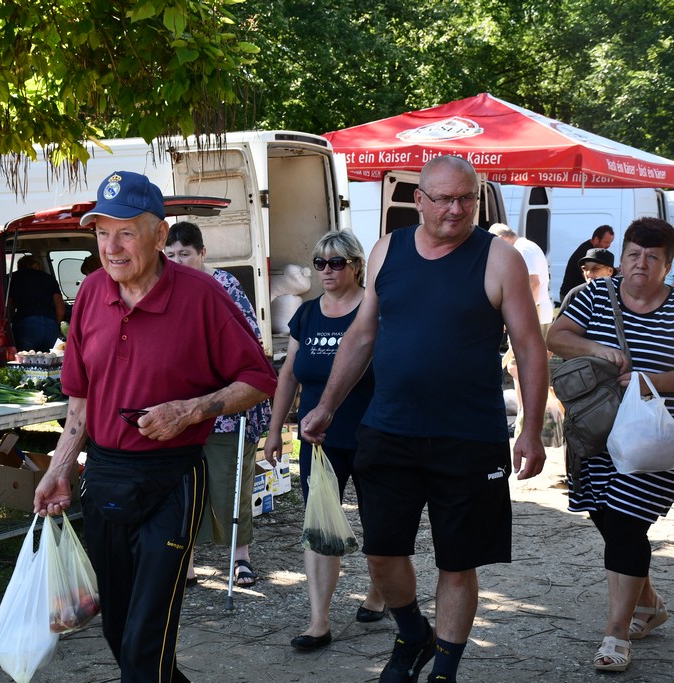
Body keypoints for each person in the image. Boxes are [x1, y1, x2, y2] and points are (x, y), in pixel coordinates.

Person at [299, 155, 548, 683]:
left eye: (467, 199)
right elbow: (362, 336)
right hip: (389, 428)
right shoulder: (389, 251)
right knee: (381, 553)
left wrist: (529, 428)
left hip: (469, 436)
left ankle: (445, 671)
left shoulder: (498, 258)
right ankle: (414, 634)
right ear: (420, 201)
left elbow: (529, 347)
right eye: (444, 199)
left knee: (458, 561)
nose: (456, 210)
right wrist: (326, 406)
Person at [32, 171, 277, 683]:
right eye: (101, 232)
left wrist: (190, 410)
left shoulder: (201, 296)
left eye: (126, 232)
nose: (111, 246)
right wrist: (59, 469)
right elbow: (79, 402)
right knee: (120, 634)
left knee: (146, 640)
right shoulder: (93, 294)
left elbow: (259, 379)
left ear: (160, 235)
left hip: (172, 481)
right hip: (104, 478)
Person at [546, 217, 674, 673]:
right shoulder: (595, 295)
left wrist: (649, 380)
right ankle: (650, 603)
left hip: (654, 439)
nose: (641, 264)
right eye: (634, 255)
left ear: (667, 265)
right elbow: (556, 337)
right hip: (595, 430)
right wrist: (597, 351)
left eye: (653, 258)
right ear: (622, 259)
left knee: (624, 521)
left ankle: (616, 634)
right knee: (607, 517)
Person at [262, 230, 385, 652]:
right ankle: (319, 621)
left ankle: (379, 591)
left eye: (336, 262)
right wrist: (276, 430)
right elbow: (289, 376)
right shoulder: (307, 314)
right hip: (319, 440)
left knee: (380, 521)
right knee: (319, 524)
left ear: (355, 266)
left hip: (373, 435)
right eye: (319, 263)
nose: (326, 271)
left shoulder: (374, 309)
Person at [164, 221, 271, 589]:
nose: (177, 261)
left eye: (185, 254)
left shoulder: (223, 285)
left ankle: (240, 558)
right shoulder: (164, 288)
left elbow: (252, 340)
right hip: (179, 407)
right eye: (171, 255)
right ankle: (186, 562)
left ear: (203, 253)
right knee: (184, 488)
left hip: (224, 407)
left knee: (228, 482)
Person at [488, 224, 552, 334]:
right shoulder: (525, 246)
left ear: (500, 238)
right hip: (537, 315)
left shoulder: (522, 249)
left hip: (534, 317)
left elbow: (533, 283)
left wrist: (524, 317)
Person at [7, 254, 65, 351]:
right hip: (50, 324)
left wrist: (12, 321)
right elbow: (60, 310)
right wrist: (55, 324)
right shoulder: (49, 279)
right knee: (49, 361)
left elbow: (9, 306)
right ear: (36, 265)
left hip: (25, 323)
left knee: (27, 361)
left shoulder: (12, 278)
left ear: (20, 266)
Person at [559, 225, 615, 300]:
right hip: (572, 296)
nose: (608, 246)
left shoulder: (590, 250)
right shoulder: (586, 253)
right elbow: (590, 279)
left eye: (610, 243)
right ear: (596, 239)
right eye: (605, 242)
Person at [556, 247, 616, 315]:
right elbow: (560, 324)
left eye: (595, 268)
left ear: (610, 271)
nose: (588, 273)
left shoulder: (620, 295)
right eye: (585, 268)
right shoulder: (575, 294)